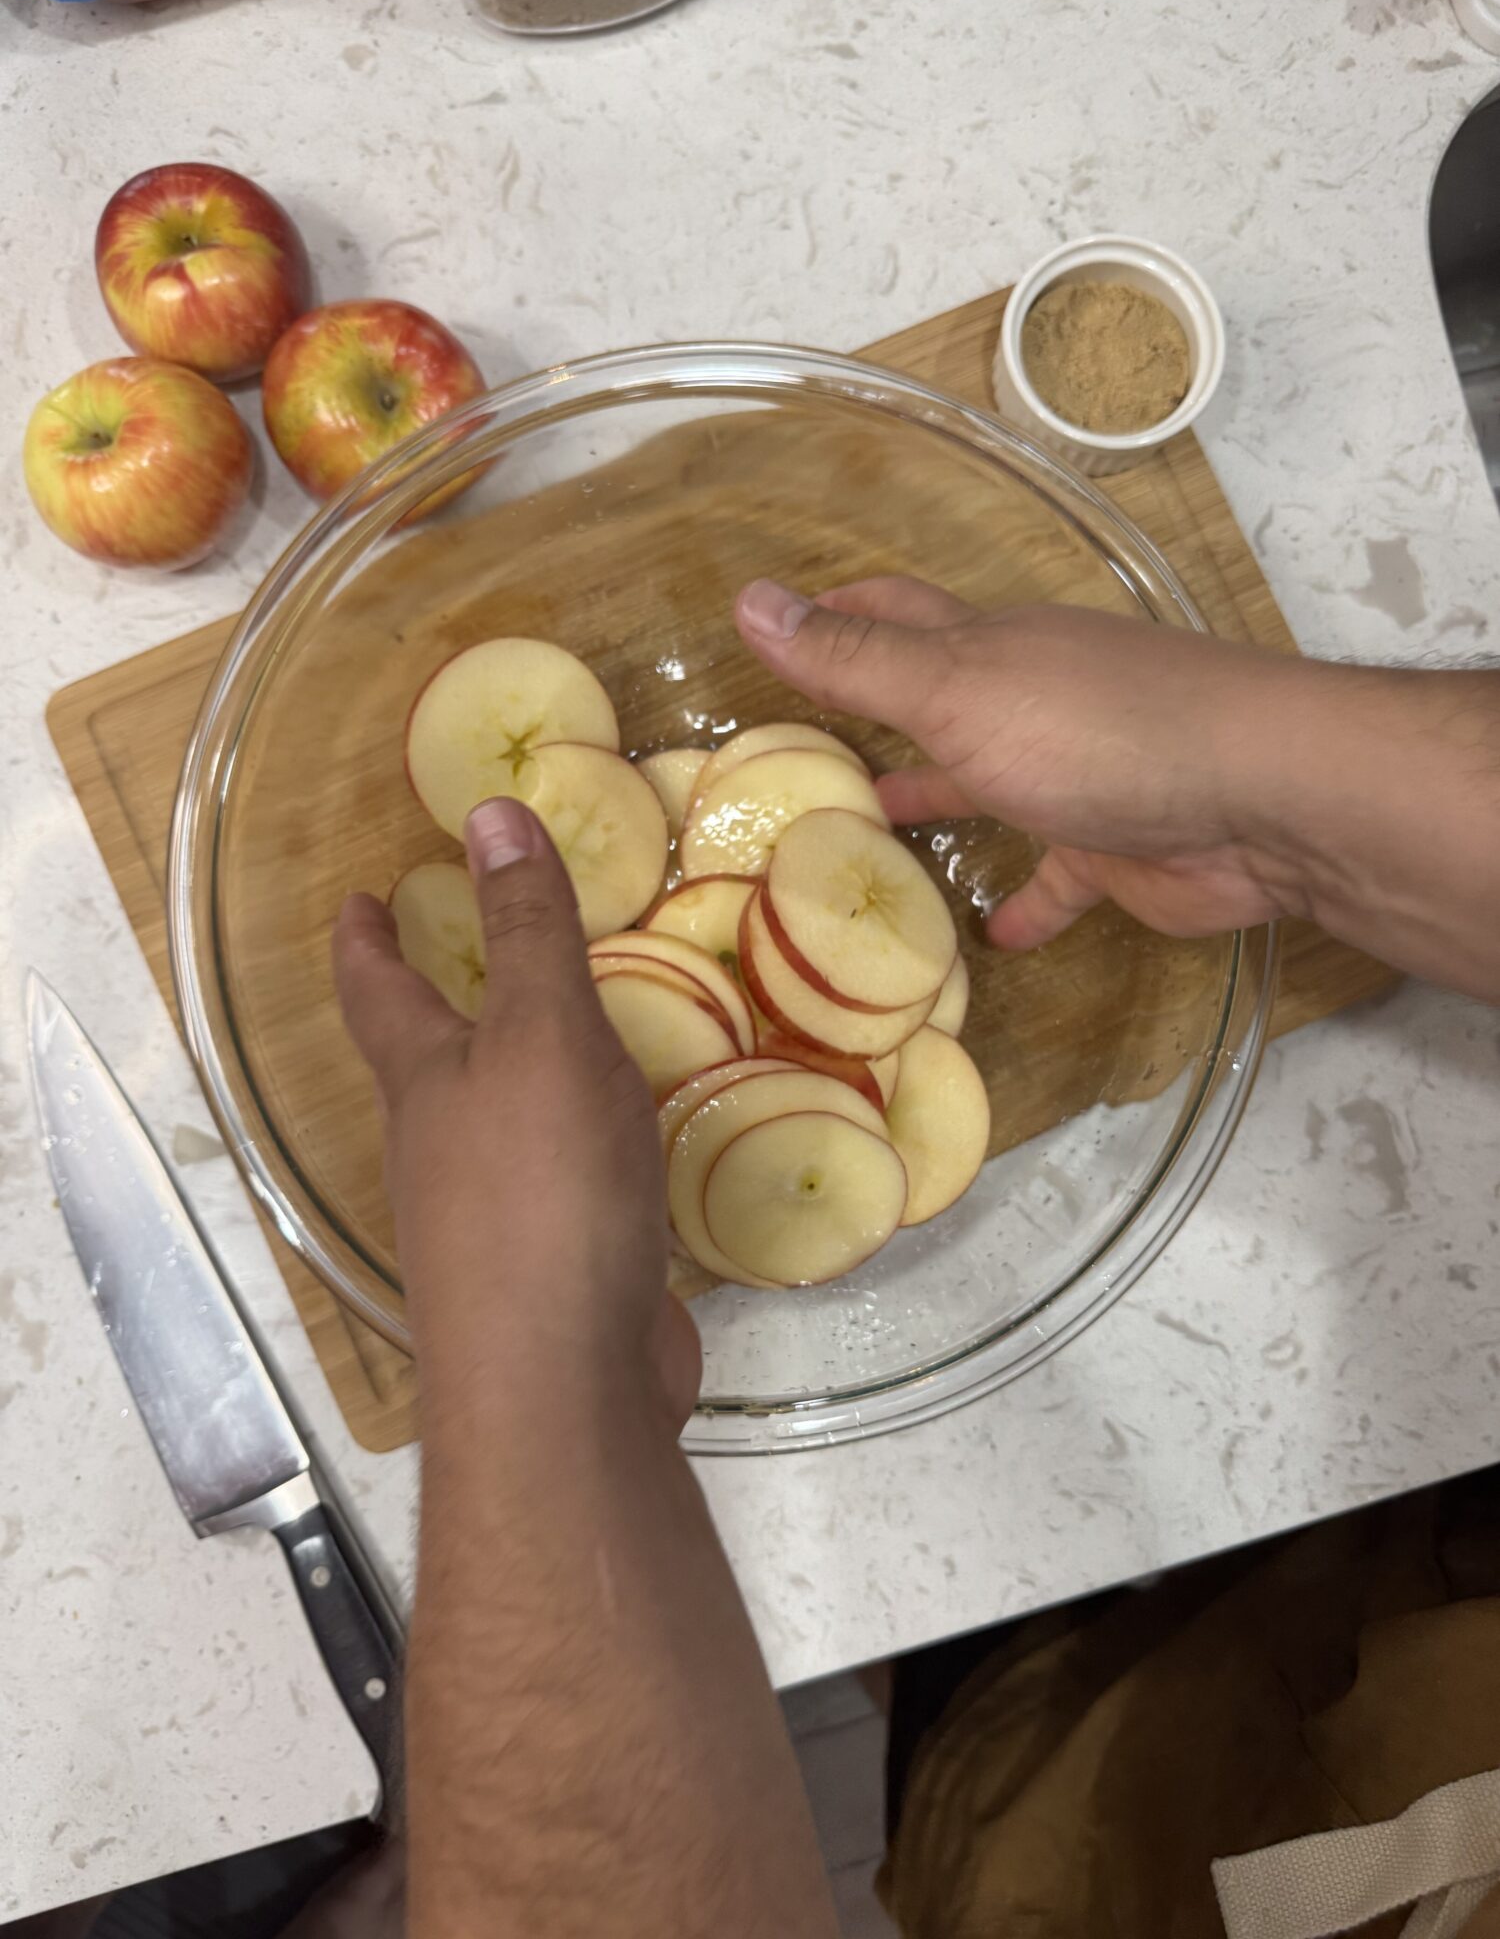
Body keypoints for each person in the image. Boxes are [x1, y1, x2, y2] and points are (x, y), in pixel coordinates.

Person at [331, 576, 1500, 1938]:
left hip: (1135, 1863)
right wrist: (1269, 795)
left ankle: (959, 1713)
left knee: (1021, 1771)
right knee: (1023, 1715)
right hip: (1315, 1668)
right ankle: (963, 1705)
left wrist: (531, 1361)